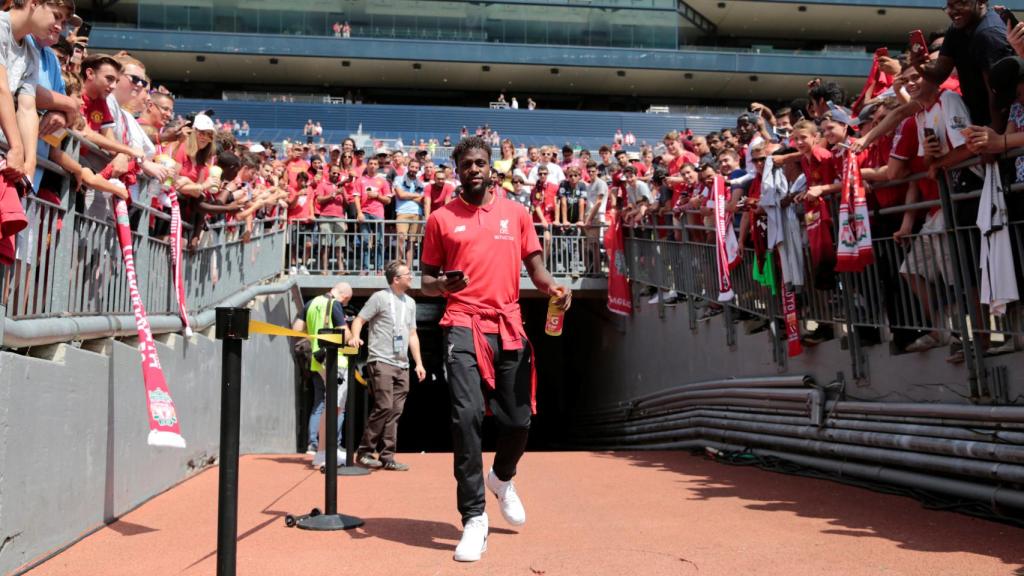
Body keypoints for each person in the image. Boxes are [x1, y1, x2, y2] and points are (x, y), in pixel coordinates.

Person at [420, 136, 571, 562]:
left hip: (508, 325)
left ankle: (502, 477)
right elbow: (425, 281)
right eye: (465, 163)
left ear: (492, 167)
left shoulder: (517, 213)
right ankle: (474, 518)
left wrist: (551, 286)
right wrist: (442, 285)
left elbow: (536, 267)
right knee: (465, 416)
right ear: (457, 169)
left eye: (479, 162)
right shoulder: (441, 219)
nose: (473, 168)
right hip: (461, 323)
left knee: (519, 420)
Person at [348, 260, 425, 471]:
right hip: (381, 360)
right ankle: (364, 451)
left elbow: (412, 334)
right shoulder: (379, 298)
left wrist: (418, 363)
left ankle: (388, 456)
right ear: (396, 279)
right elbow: (359, 320)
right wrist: (355, 337)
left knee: (395, 411)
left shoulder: (410, 303)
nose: (412, 276)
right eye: (407, 274)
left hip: (403, 364)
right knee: (384, 405)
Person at [298, 282, 353, 468]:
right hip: (335, 359)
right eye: (346, 301)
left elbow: (296, 329)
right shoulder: (334, 304)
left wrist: (314, 337)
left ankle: (323, 450)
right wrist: (353, 338)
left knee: (326, 405)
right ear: (344, 295)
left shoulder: (311, 303)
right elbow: (345, 333)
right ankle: (325, 451)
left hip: (317, 359)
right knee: (336, 407)